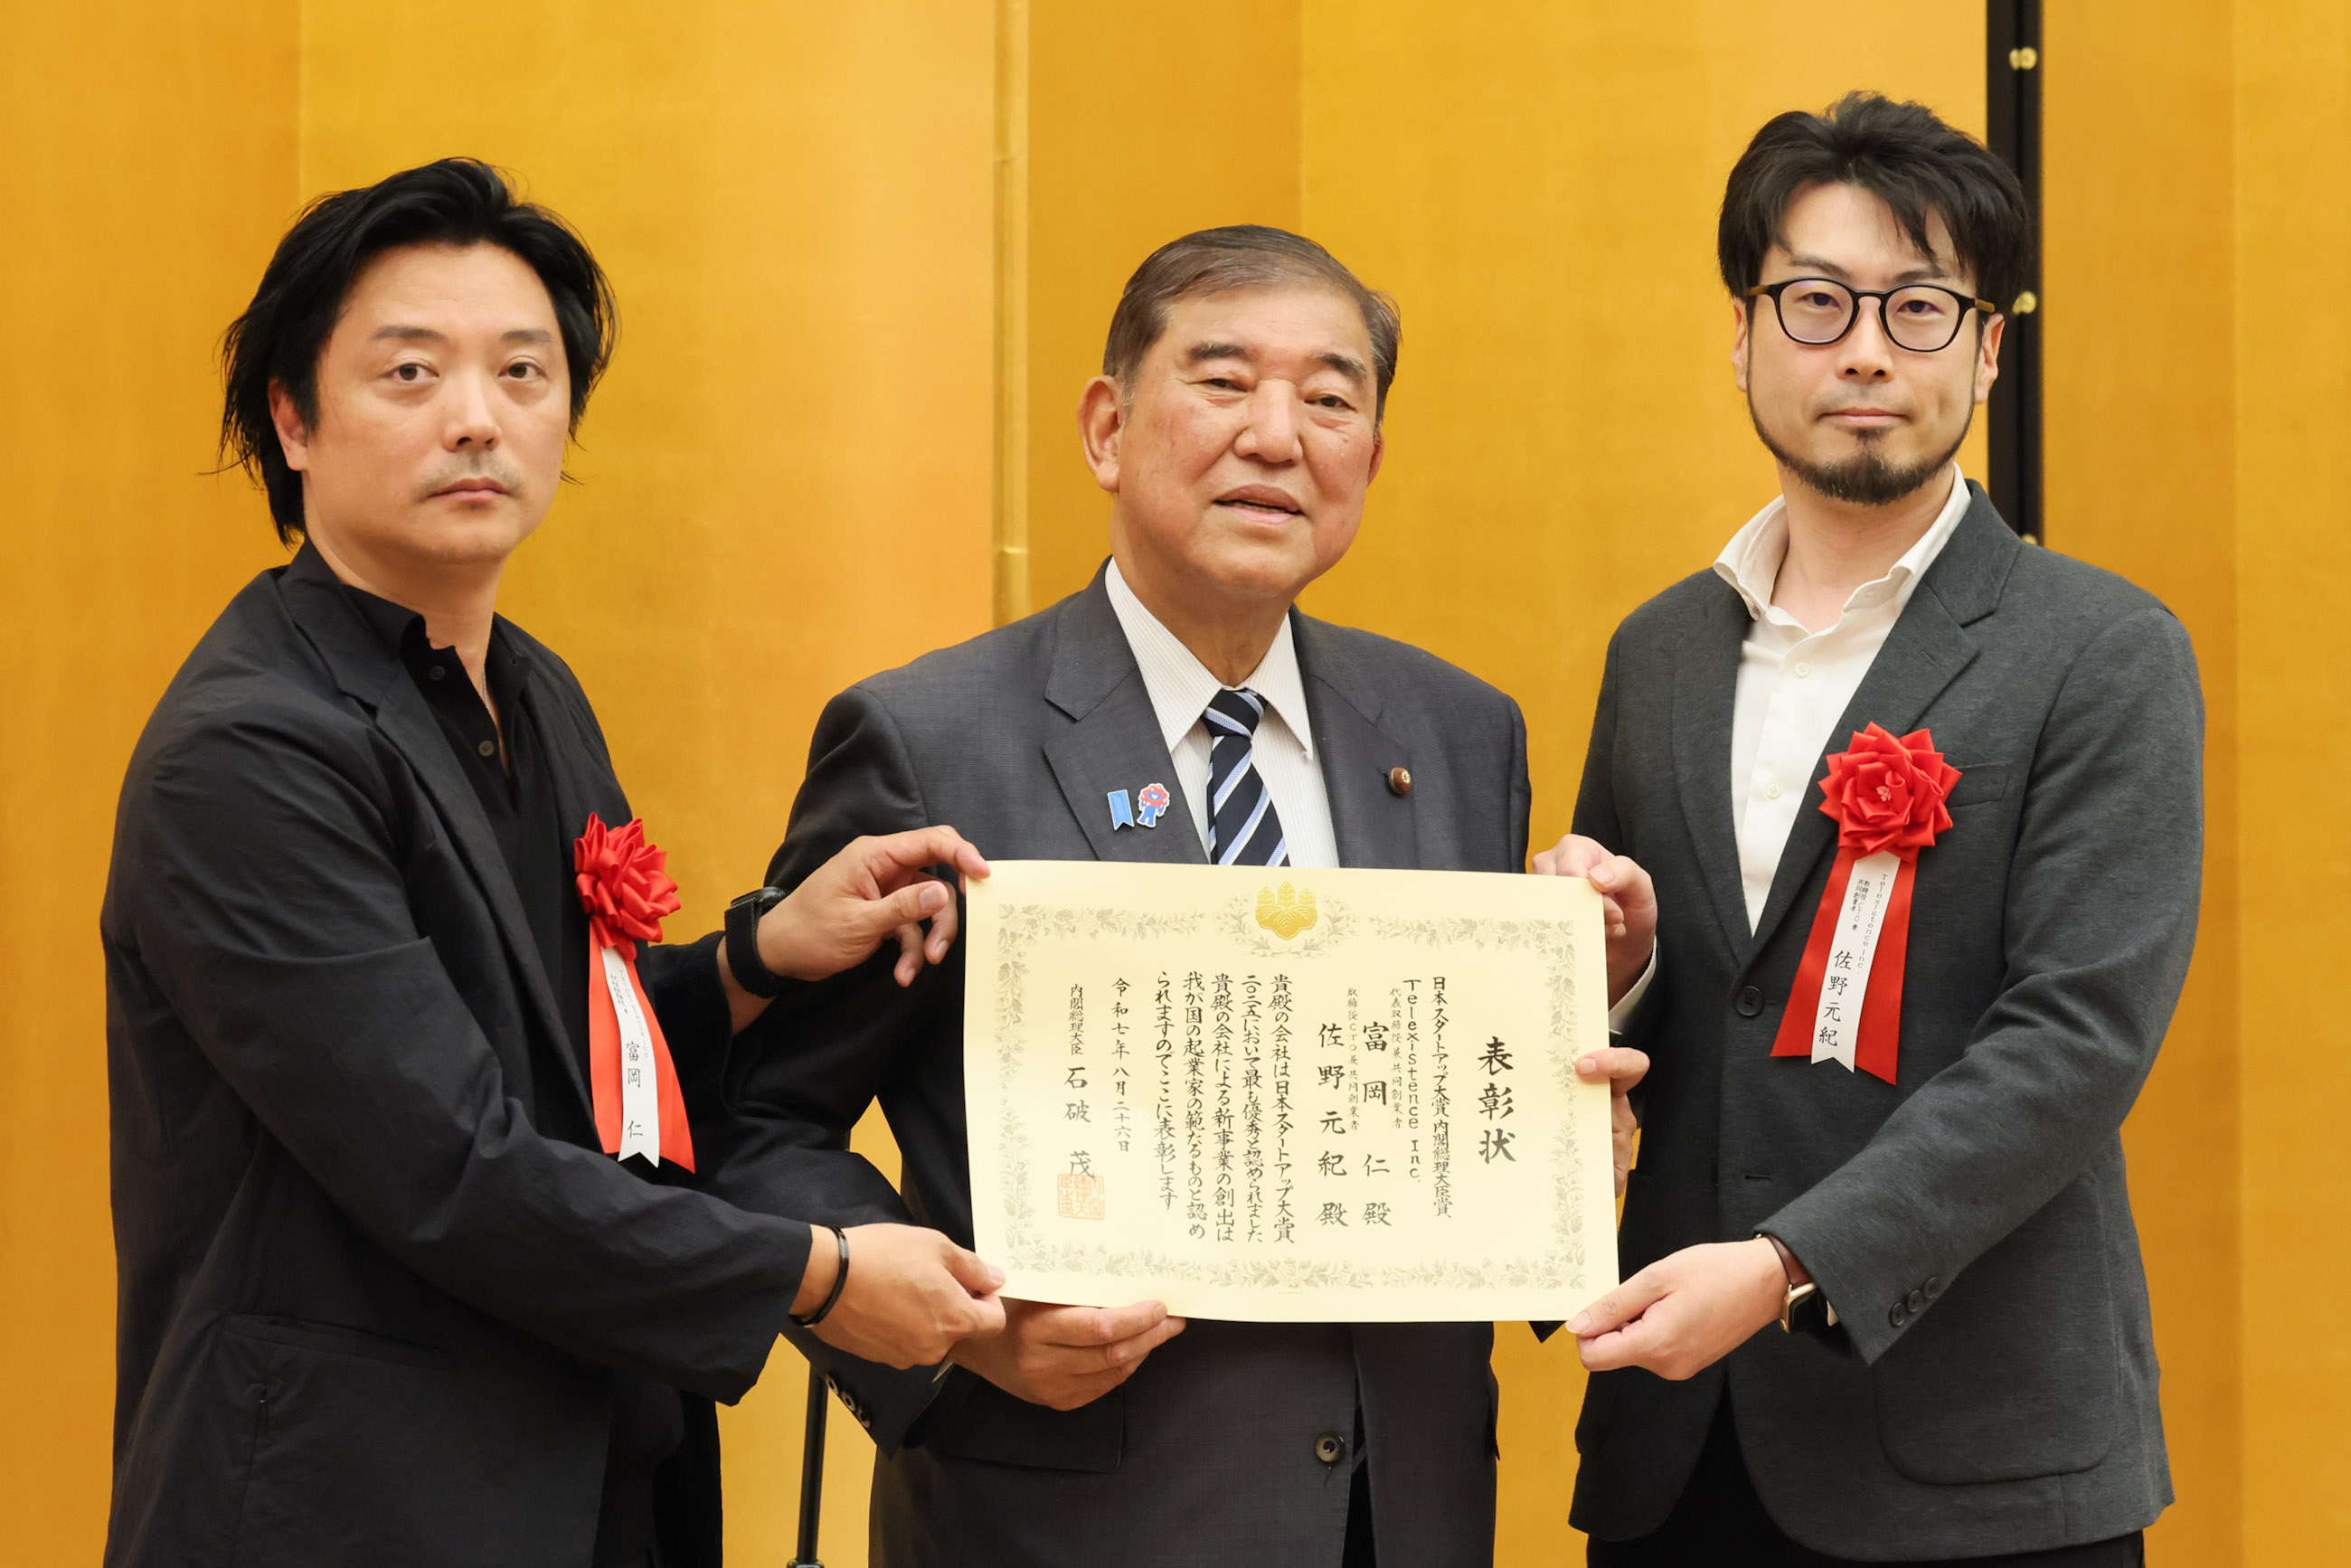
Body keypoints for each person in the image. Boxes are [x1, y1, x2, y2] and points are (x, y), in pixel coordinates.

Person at [101, 158, 1006, 1568]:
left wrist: (760, 960)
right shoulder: (249, 754)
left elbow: (580, 1068)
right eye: (411, 372)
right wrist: (817, 1275)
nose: (477, 418)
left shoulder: (529, 687)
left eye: (523, 372)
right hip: (347, 1501)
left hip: (592, 1475)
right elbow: (452, 1163)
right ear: (293, 418)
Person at [710, 225, 1652, 1568]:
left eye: (1332, 399)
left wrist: (1575, 1107)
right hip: (1067, 1511)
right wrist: (963, 1335)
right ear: (1107, 426)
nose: (1280, 435)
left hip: (1403, 1514)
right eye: (1223, 381)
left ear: (1370, 462)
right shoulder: (935, 738)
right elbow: (761, 1117)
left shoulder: (1455, 729)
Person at [1542, 94, 2199, 1564]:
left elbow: (2077, 1039)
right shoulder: (1659, 649)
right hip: (1679, 1441)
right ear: (1743, 331)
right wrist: (1617, 962)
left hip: (1977, 1457)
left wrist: (1790, 1264)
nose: (1862, 349)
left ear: (1987, 348)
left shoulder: (2099, 649)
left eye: (1918, 308)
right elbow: (1666, 1001)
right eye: (1817, 299)